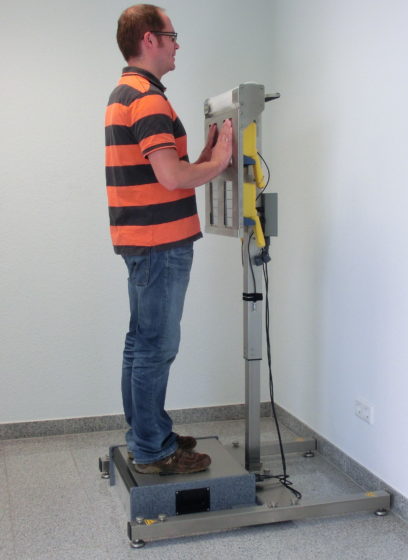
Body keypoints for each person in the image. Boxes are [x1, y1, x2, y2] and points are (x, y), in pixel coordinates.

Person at [105, 4, 232, 474]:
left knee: (140, 343)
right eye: (172, 35)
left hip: (142, 240)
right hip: (160, 243)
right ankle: (154, 450)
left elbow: (166, 171)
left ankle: (146, 431)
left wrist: (202, 156)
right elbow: (173, 178)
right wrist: (218, 163)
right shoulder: (149, 100)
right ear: (149, 40)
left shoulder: (127, 92)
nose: (178, 43)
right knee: (156, 346)